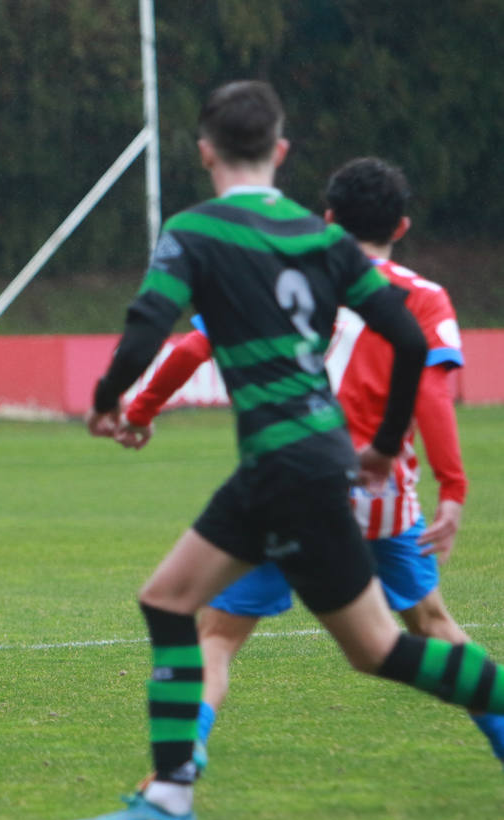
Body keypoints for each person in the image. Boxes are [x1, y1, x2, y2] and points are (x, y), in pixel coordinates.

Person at [59, 80, 504, 820]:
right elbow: (407, 340)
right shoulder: (319, 238)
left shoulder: (197, 232)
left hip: (285, 467)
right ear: (282, 150)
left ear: (205, 152)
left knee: (373, 648)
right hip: (308, 461)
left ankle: (168, 802)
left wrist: (107, 401)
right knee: (173, 601)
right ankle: (167, 801)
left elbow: (151, 321)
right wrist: (384, 444)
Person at [117, 156, 504, 770]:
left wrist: (141, 411)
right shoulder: (423, 298)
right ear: (401, 227)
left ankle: (178, 767)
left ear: (327, 218)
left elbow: (191, 347)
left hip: (290, 483)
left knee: (216, 637)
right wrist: (452, 489)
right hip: (381, 495)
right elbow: (432, 396)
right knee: (429, 624)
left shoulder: (283, 276)